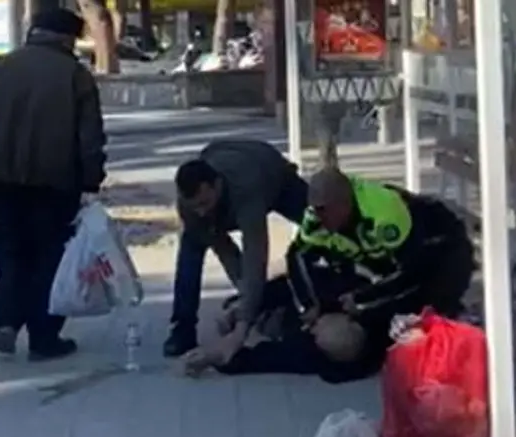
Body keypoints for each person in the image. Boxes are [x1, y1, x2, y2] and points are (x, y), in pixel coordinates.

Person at [0, 8, 107, 361]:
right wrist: (92, 181)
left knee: (11, 252)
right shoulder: (75, 76)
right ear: (67, 38)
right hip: (54, 182)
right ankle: (44, 337)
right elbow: (90, 138)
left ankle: (7, 322)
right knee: (49, 257)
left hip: (0, 180)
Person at [164, 140, 309, 358]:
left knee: (320, 221)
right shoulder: (190, 207)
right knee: (190, 248)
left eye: (204, 203)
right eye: (195, 206)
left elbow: (255, 253)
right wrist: (248, 302)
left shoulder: (245, 188)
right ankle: (182, 329)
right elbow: (225, 250)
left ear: (217, 186)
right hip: (224, 155)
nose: (201, 212)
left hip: (273, 175)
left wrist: (244, 318)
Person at [287, 167, 474, 324]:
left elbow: (411, 271)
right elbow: (296, 256)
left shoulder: (384, 216)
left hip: (442, 243)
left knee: (417, 305)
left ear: (344, 203)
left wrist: (362, 299)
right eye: (315, 209)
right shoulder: (316, 221)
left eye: (324, 210)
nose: (320, 217)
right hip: (391, 254)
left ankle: (452, 312)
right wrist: (309, 304)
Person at [183, 273, 392, 383]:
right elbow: (291, 283)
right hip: (293, 301)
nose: (312, 329)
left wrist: (217, 359)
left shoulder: (313, 355)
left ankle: (260, 316)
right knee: (242, 307)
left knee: (278, 333)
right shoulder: (340, 292)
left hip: (284, 325)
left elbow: (267, 360)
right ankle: (243, 308)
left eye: (314, 334)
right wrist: (244, 310)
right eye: (317, 327)